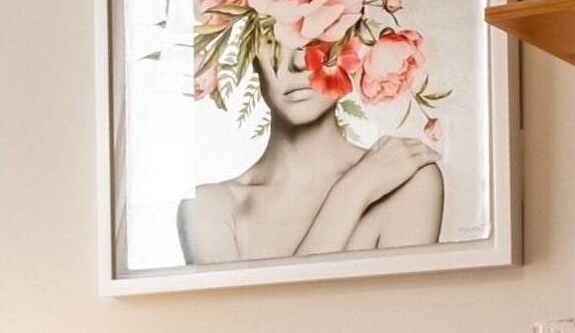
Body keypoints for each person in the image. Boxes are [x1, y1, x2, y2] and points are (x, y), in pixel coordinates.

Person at [180, 41, 442, 264]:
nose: (298, 61)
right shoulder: (208, 208)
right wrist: (350, 193)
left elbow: (402, 312)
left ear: (353, 42)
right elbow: (266, 314)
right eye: (273, 37)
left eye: (318, 34)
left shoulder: (408, 181)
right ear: (250, 52)